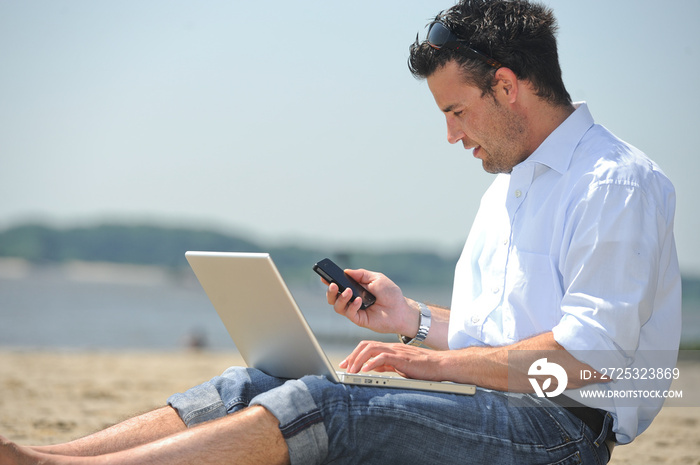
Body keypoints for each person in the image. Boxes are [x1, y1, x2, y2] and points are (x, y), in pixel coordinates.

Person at [1, 0, 681, 464]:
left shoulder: (613, 182)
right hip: (489, 406)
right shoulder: (510, 187)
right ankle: (52, 456)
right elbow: (502, 338)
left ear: (506, 87)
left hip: (557, 435)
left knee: (324, 404)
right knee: (262, 380)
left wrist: (431, 364)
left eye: (456, 111)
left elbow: (587, 358)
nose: (450, 135)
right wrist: (412, 319)